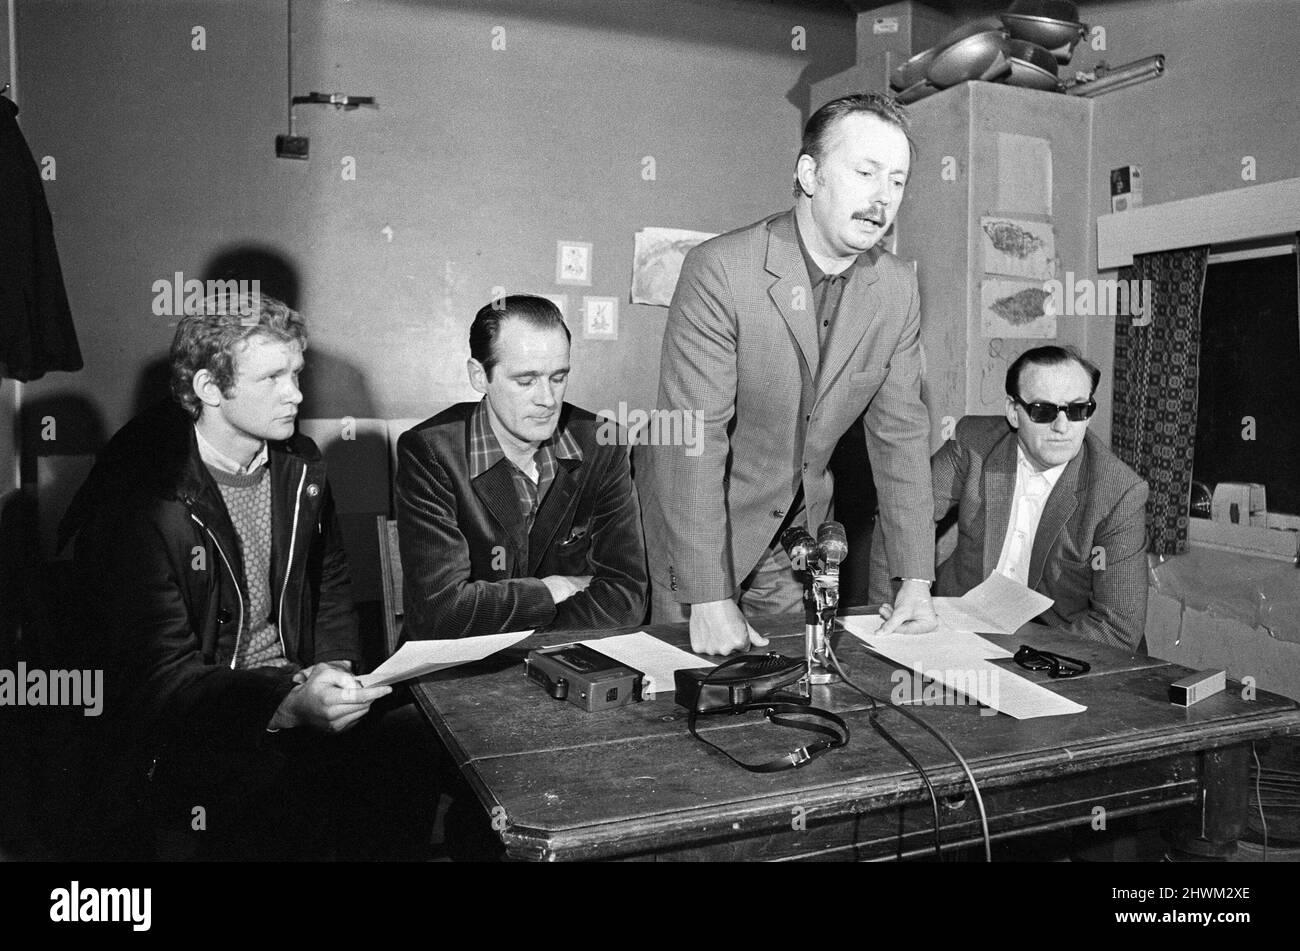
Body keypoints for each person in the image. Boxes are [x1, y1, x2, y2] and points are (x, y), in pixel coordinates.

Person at [58, 292, 436, 860]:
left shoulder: (301, 464)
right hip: (196, 726)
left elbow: (329, 583)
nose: (297, 394)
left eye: (297, 373)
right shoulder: (143, 503)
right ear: (209, 390)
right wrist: (283, 703)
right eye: (272, 378)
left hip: (293, 694)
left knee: (412, 751)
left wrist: (333, 670)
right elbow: (162, 680)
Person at [636, 93, 938, 655]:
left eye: (896, 181)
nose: (882, 199)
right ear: (809, 174)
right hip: (700, 519)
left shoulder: (896, 287)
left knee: (783, 681)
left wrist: (915, 580)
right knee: (693, 684)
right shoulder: (721, 270)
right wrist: (708, 596)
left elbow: (900, 435)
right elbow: (692, 439)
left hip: (794, 524)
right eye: (865, 172)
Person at [396, 294, 647, 640]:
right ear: (479, 376)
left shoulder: (605, 445)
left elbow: (625, 601)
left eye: (558, 377)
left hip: (565, 658)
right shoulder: (430, 451)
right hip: (454, 673)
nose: (547, 398)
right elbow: (442, 614)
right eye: (526, 381)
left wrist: (498, 614)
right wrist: (551, 590)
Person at [873, 346, 1149, 652]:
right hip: (959, 627)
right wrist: (895, 607)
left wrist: (1023, 656)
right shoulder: (973, 444)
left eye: (1077, 410)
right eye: (1044, 411)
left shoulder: (1119, 493)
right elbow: (904, 513)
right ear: (1013, 412)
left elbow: (1117, 627)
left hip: (1059, 646)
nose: (1062, 427)